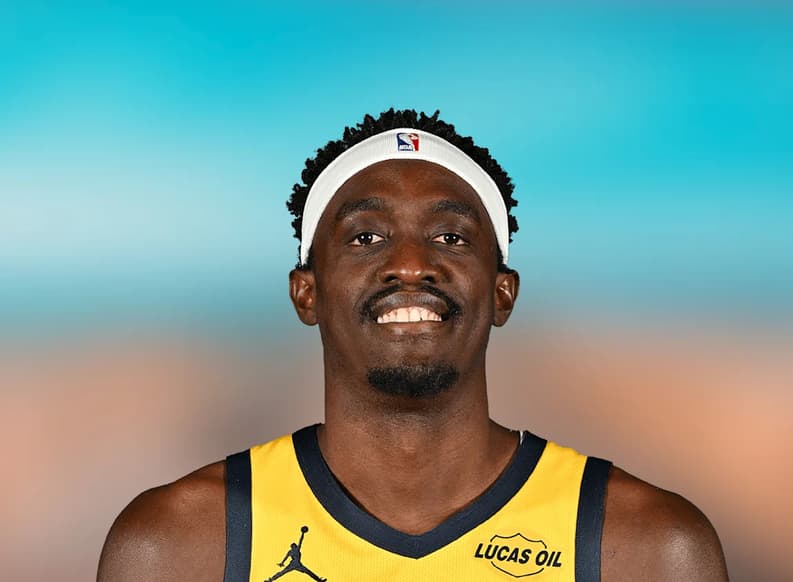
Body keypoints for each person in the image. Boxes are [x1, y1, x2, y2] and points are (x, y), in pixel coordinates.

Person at [97, 109, 728, 582]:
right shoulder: (180, 546)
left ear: (502, 294)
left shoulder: (646, 547)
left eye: (451, 237)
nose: (410, 264)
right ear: (307, 293)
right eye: (366, 238)